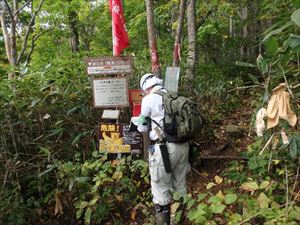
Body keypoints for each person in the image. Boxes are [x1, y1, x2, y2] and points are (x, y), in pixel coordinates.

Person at [137, 73, 190, 225]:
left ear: (146, 88)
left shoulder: (148, 99)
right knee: (180, 186)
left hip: (163, 149)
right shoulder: (173, 96)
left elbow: (141, 127)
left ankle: (164, 222)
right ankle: (179, 220)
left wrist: (143, 122)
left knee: (160, 190)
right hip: (183, 147)